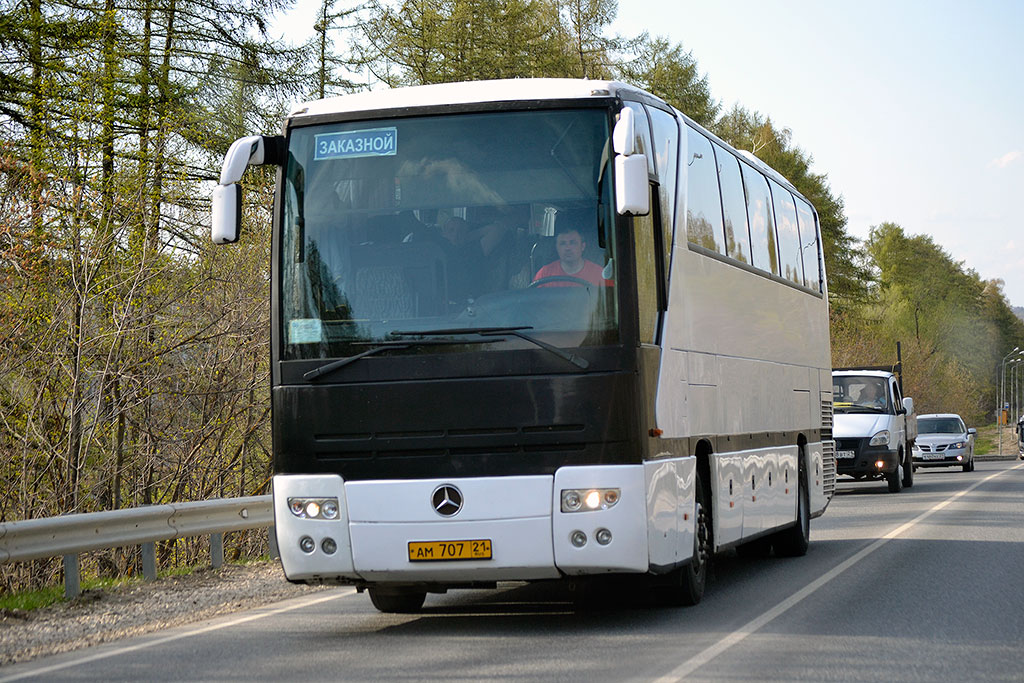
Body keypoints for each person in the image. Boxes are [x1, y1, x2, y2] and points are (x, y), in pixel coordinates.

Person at [532, 226, 613, 288]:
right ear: (557, 247)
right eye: (563, 243)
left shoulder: (599, 274)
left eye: (573, 243)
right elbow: (534, 303)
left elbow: (611, 302)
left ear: (583, 246)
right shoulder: (544, 274)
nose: (568, 248)